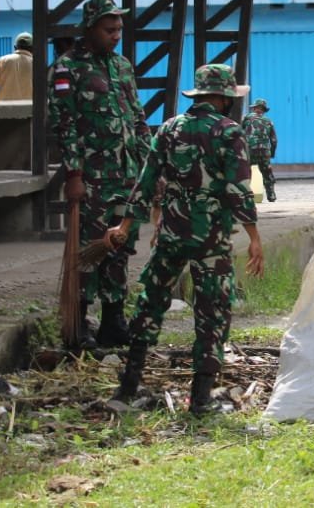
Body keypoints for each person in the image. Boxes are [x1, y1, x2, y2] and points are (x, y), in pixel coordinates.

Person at [105, 64, 263, 414]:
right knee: (212, 312)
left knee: (150, 303)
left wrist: (126, 226)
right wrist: (253, 237)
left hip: (172, 232)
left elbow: (146, 182)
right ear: (224, 98)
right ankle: (201, 398)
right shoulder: (229, 132)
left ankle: (128, 385)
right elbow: (239, 190)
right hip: (210, 237)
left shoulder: (169, 128)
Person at [48, 0, 151, 348]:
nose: (116, 35)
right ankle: (77, 327)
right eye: (109, 29)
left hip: (126, 175)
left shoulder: (122, 66)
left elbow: (136, 118)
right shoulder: (68, 68)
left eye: (119, 29)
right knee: (87, 250)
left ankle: (113, 321)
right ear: (90, 28)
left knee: (119, 247)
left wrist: (150, 168)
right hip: (92, 178)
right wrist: (73, 173)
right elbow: (64, 124)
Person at [242, 99, 279, 202]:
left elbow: (239, 132)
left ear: (254, 108)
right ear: (264, 110)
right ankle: (271, 195)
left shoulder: (247, 118)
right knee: (267, 172)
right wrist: (272, 153)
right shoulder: (269, 121)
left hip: (250, 150)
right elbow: (274, 140)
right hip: (264, 150)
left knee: (246, 172)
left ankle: (247, 195)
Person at [0, 31, 34, 100]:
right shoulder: (37, 64)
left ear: (15, 47)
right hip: (30, 109)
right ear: (33, 48)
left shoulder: (2, 61)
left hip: (5, 109)